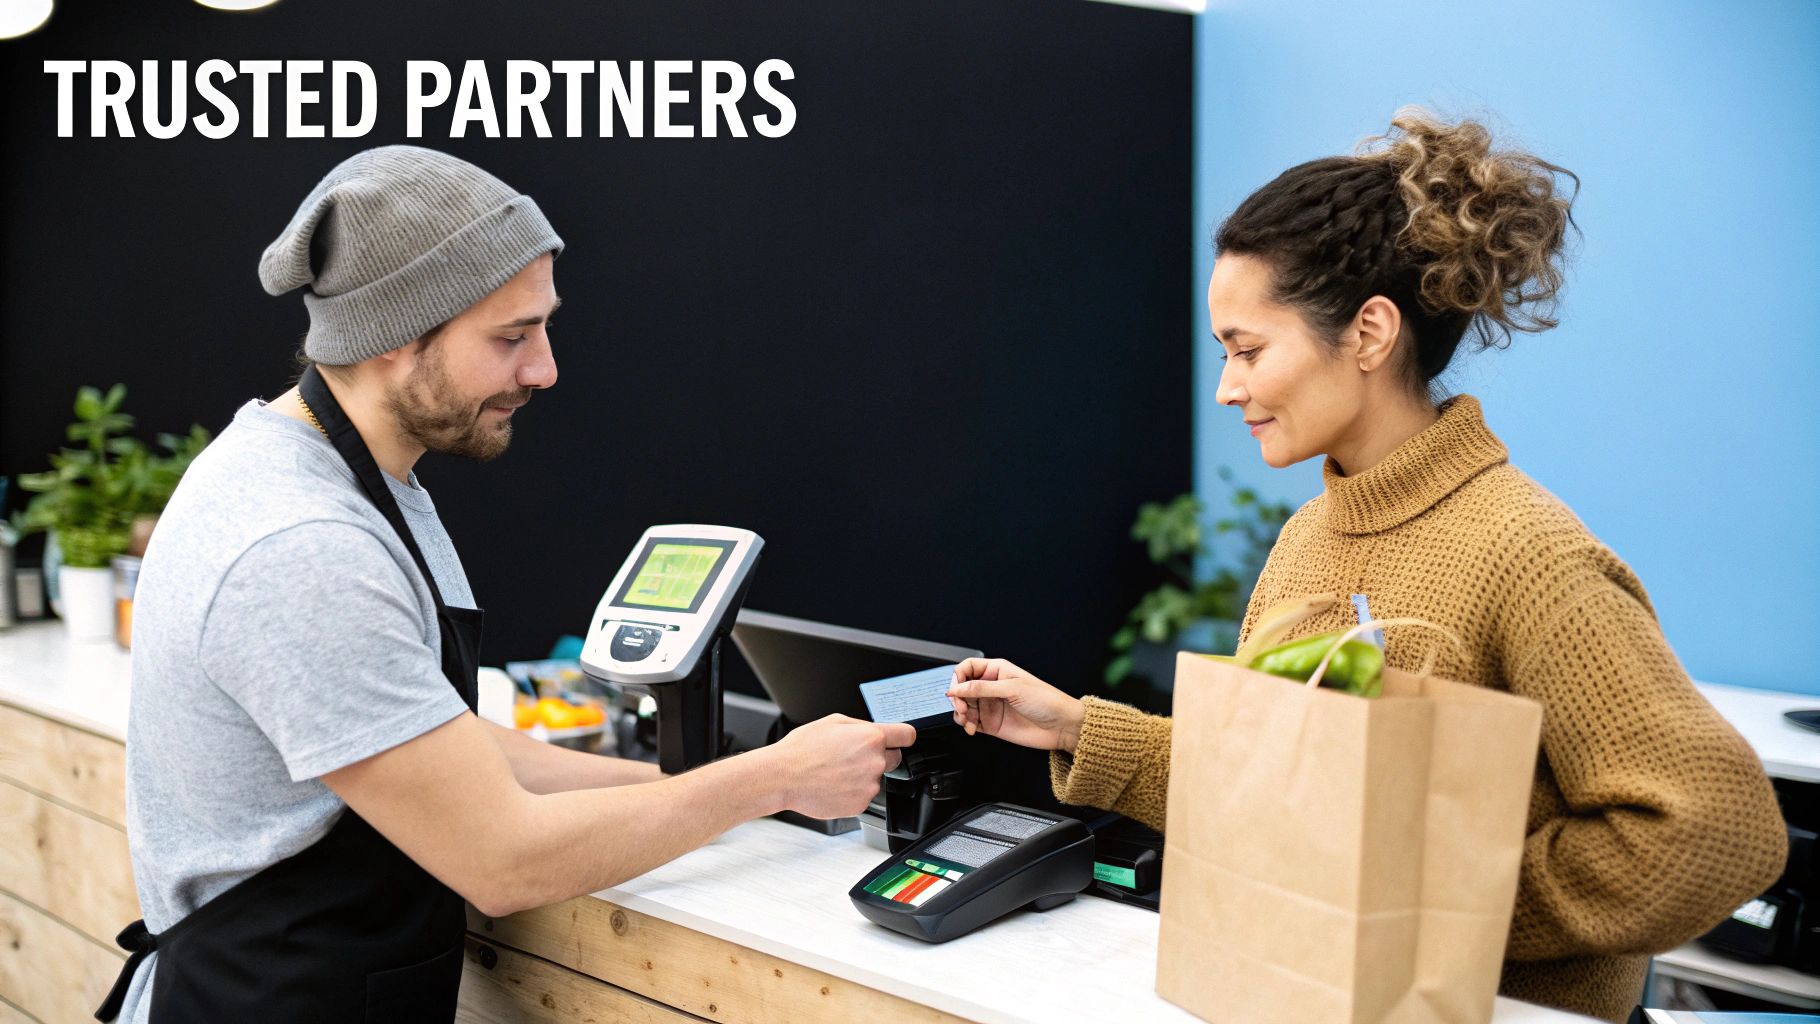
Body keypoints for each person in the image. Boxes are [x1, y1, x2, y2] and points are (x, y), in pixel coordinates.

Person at [945, 109, 1786, 1024]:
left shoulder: (1530, 554)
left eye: (1248, 350)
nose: (1227, 387)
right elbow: (1278, 793)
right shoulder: (1309, 537)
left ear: (1371, 334)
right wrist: (1076, 729)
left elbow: (1715, 835)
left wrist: (1437, 915)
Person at [100, 145, 914, 1023]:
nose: (545, 369)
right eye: (511, 337)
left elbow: (449, 748)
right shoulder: (302, 544)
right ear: (391, 340)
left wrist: (735, 785)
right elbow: (502, 858)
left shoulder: (349, 476)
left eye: (543, 326)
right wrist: (767, 783)